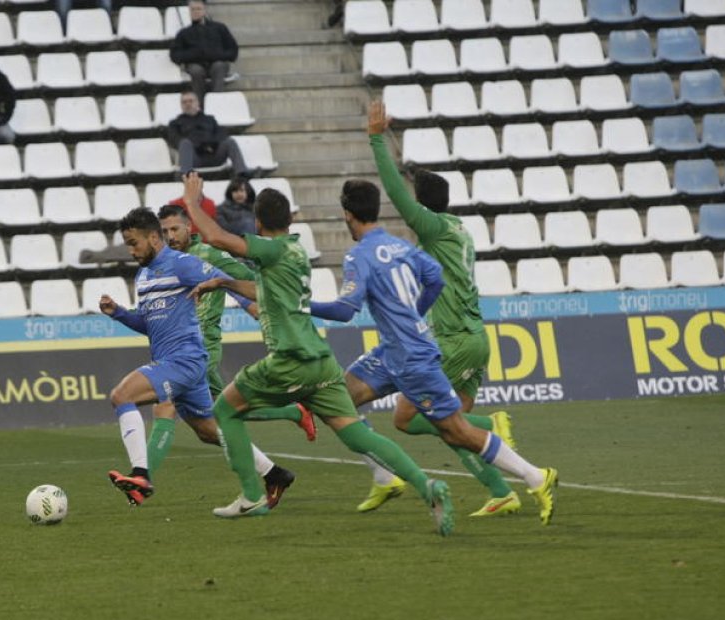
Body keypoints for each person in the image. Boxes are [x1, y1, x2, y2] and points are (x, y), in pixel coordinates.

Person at [185, 174, 455, 532]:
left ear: (259, 223)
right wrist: (227, 282)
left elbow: (217, 238)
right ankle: (428, 486)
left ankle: (253, 495)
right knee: (357, 434)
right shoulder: (294, 250)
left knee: (224, 410)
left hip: (289, 359)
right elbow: (266, 288)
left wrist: (191, 202)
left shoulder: (271, 249)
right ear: (291, 220)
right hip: (322, 362)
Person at [309, 180, 559, 526]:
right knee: (340, 395)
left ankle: (535, 476)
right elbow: (436, 277)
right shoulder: (401, 246)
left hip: (413, 358)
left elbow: (345, 309)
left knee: (456, 431)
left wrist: (299, 306)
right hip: (392, 352)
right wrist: (415, 312)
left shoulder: (359, 255)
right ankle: (384, 476)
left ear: (348, 215)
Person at [334, 99, 527, 518]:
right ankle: (500, 490)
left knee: (409, 417)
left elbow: (399, 197)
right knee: (449, 429)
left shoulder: (435, 229)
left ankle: (493, 430)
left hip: (453, 338)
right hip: (473, 338)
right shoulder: (460, 229)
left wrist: (377, 139)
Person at [99, 207, 296, 510]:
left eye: (134, 242)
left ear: (154, 237)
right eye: (127, 244)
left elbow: (227, 281)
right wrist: (120, 314)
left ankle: (141, 474)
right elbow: (149, 325)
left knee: (121, 395)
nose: (131, 250)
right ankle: (275, 473)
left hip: (185, 362)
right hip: (174, 362)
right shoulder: (143, 276)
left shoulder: (183, 264)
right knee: (209, 431)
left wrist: (262, 301)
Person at [167, 91, 249, 178]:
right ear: (181, 105)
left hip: (214, 154)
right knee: (184, 143)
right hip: (194, 158)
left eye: (190, 101)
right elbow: (175, 140)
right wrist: (200, 145)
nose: (188, 104)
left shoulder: (210, 119)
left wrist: (210, 145)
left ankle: (242, 175)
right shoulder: (175, 123)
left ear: (197, 103)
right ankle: (187, 178)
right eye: (184, 102)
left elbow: (221, 134)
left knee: (230, 141)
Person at [169, 0, 239, 104]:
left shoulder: (220, 28)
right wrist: (193, 55)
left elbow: (233, 50)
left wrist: (217, 55)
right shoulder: (184, 33)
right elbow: (175, 55)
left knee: (219, 66)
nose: (195, 12)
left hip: (218, 62)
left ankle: (217, 103)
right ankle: (199, 106)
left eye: (198, 9)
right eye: (192, 9)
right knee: (195, 70)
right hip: (196, 64)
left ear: (204, 10)